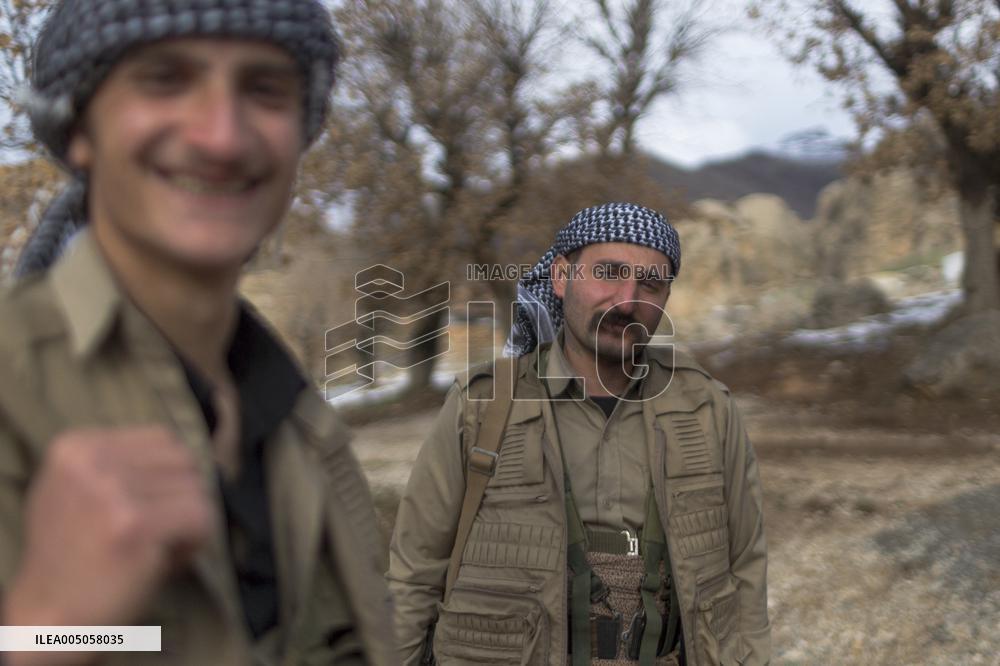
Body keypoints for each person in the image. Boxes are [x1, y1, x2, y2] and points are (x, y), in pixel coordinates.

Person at [0, 2, 396, 664]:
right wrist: (52, 625)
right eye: (164, 79)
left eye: (264, 88)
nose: (222, 136)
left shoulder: (298, 420)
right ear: (78, 129)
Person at [388, 202, 770, 665]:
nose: (627, 300)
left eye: (650, 283)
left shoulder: (708, 408)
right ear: (561, 276)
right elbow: (415, 575)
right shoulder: (483, 406)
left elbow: (744, 567)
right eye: (608, 272)